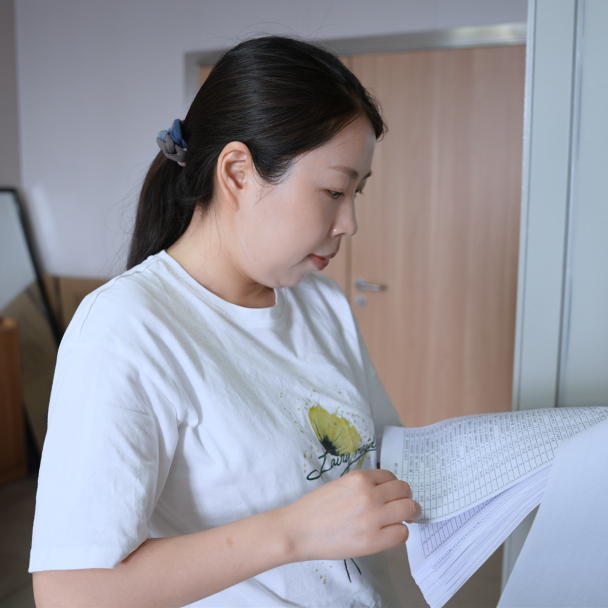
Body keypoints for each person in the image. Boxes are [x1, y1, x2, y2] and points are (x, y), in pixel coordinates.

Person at [30, 36, 421, 607]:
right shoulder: (126, 329)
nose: (349, 223)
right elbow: (70, 592)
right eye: (334, 191)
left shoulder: (321, 303)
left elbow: (382, 454)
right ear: (237, 172)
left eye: (357, 193)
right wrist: (294, 532)